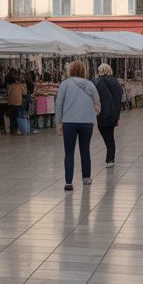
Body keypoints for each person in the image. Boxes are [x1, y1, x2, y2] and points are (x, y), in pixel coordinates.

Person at [55, 60, 100, 190]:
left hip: (69, 122)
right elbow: (98, 103)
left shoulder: (65, 84)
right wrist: (92, 111)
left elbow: (59, 104)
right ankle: (86, 177)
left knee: (69, 152)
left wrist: (58, 122)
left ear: (71, 70)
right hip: (87, 122)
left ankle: (68, 182)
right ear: (84, 71)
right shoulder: (90, 85)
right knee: (85, 150)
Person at [93, 63, 123, 168]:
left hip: (100, 114)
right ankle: (110, 158)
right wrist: (117, 114)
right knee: (110, 136)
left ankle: (110, 158)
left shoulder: (95, 82)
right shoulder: (114, 82)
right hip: (112, 113)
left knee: (107, 137)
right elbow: (119, 97)